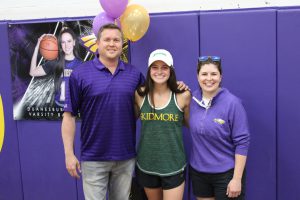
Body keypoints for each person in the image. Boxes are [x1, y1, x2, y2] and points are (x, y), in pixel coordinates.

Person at [189, 56, 250, 200]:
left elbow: (242, 142)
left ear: (220, 77)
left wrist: (237, 179)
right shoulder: (191, 100)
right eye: (204, 74)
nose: (209, 78)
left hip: (226, 174)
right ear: (197, 76)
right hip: (199, 173)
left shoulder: (233, 104)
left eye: (213, 74)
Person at [134, 49, 191, 200]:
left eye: (164, 67)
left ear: (171, 70)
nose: (159, 71)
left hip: (173, 166)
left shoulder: (183, 95)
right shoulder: (140, 94)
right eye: (155, 67)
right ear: (149, 70)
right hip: (147, 165)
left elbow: (192, 125)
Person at [29, 27, 82, 107]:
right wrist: (37, 47)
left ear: (74, 42)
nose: (66, 45)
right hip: (59, 108)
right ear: (60, 44)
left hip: (75, 109)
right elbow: (32, 72)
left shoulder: (82, 65)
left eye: (69, 41)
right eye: (63, 42)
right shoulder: (55, 63)